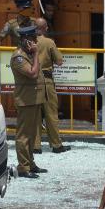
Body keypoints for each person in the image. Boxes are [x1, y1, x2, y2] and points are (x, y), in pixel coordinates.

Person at [9, 25, 47, 178]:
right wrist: (36, 53)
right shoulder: (18, 57)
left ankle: (30, 163)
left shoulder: (28, 54)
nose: (35, 42)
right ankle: (23, 167)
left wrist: (34, 53)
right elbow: (32, 73)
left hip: (34, 99)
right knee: (24, 135)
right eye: (33, 40)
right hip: (26, 101)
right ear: (25, 41)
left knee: (31, 134)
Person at [32, 17, 70, 154]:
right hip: (46, 81)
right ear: (44, 28)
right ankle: (56, 145)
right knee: (51, 114)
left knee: (35, 114)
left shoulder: (28, 42)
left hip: (32, 82)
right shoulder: (49, 42)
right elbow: (59, 61)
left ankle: (35, 146)